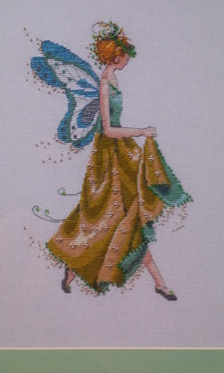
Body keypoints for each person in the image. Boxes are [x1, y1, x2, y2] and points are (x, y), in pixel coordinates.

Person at [42, 21, 192, 300]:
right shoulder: (103, 84)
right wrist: (142, 131)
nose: (128, 59)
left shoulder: (112, 78)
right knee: (108, 216)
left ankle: (156, 283)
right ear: (116, 55)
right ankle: (77, 266)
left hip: (121, 152)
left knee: (125, 217)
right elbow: (109, 130)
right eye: (125, 54)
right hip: (109, 156)